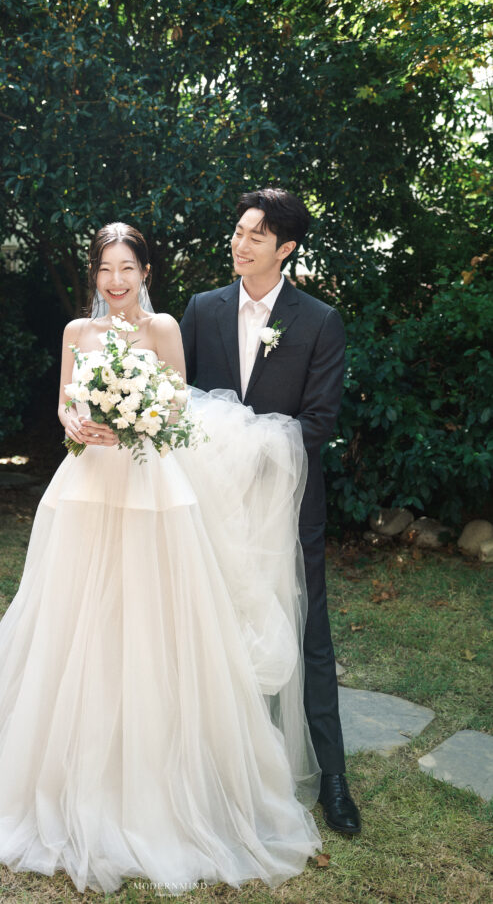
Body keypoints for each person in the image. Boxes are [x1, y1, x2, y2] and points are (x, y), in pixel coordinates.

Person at [0, 222, 322, 894]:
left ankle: (157, 779)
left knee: (151, 620)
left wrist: (140, 416)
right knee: (73, 617)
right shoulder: (78, 331)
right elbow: (65, 405)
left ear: (145, 272)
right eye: (105, 269)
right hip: (87, 485)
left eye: (127, 268)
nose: (116, 281)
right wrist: (76, 421)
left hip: (151, 487)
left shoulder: (163, 330)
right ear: (95, 273)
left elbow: (179, 410)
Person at [180, 189, 361, 836]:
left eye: (256, 235)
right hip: (210, 500)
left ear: (285, 248)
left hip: (286, 503)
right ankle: (209, 765)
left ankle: (332, 777)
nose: (240, 243)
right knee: (206, 624)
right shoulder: (201, 309)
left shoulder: (319, 321)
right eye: (238, 231)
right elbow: (180, 399)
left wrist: (249, 451)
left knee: (309, 632)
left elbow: (318, 422)